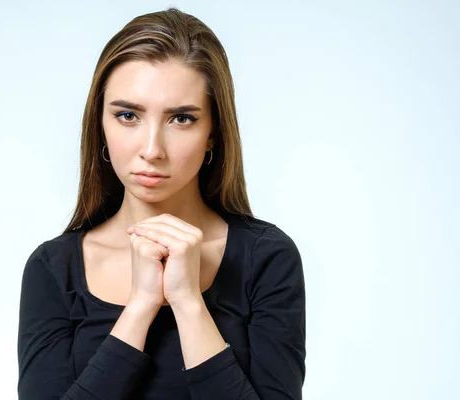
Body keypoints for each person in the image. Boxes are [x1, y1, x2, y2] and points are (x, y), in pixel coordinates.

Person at [17, 7, 305, 400]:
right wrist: (141, 307)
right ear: (99, 124)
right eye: (127, 115)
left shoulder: (266, 258)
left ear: (213, 134)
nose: (152, 150)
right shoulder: (53, 269)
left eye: (181, 119)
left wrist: (188, 303)